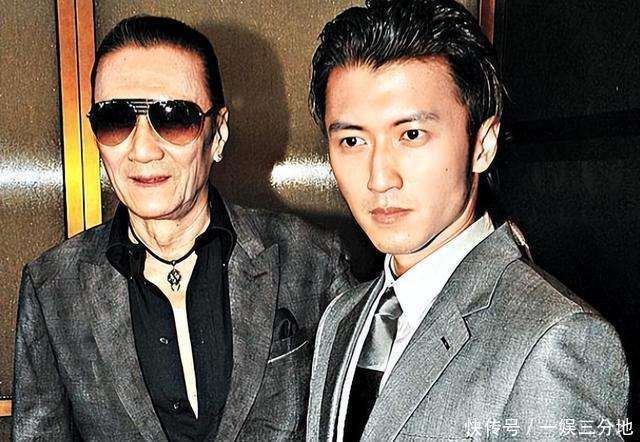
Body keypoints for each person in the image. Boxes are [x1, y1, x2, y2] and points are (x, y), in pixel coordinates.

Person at [12, 15, 353, 441]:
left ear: (218, 133)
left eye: (174, 118)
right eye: (116, 119)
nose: (142, 149)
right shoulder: (52, 288)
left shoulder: (313, 261)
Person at [306, 0, 629, 440]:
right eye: (351, 140)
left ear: (483, 145)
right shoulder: (342, 317)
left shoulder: (555, 338)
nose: (379, 178)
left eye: (411, 134)